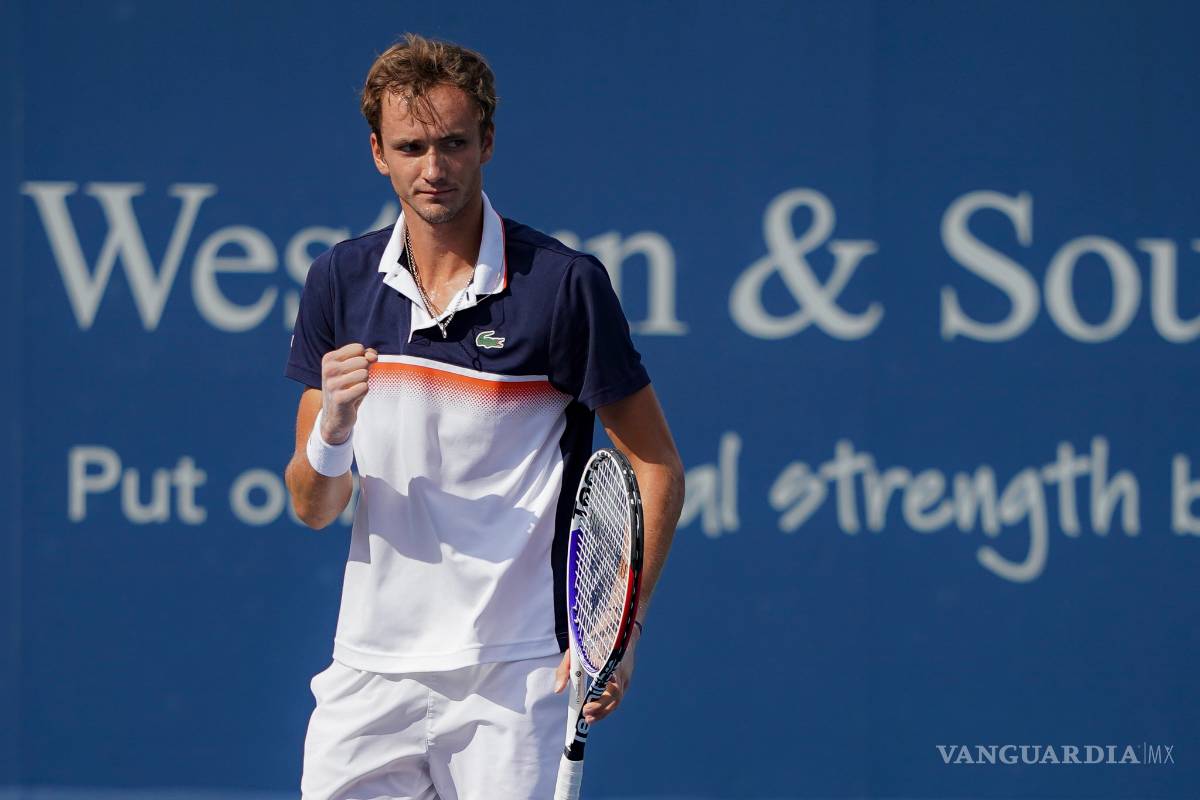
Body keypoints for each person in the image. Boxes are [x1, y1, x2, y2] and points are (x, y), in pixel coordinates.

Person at [283, 33, 684, 800]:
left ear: (487, 143)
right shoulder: (338, 281)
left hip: (517, 675)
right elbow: (312, 504)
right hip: (369, 671)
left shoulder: (564, 287)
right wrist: (333, 427)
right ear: (378, 153)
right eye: (410, 147)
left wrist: (619, 629)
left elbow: (656, 465)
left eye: (453, 144)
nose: (433, 169)